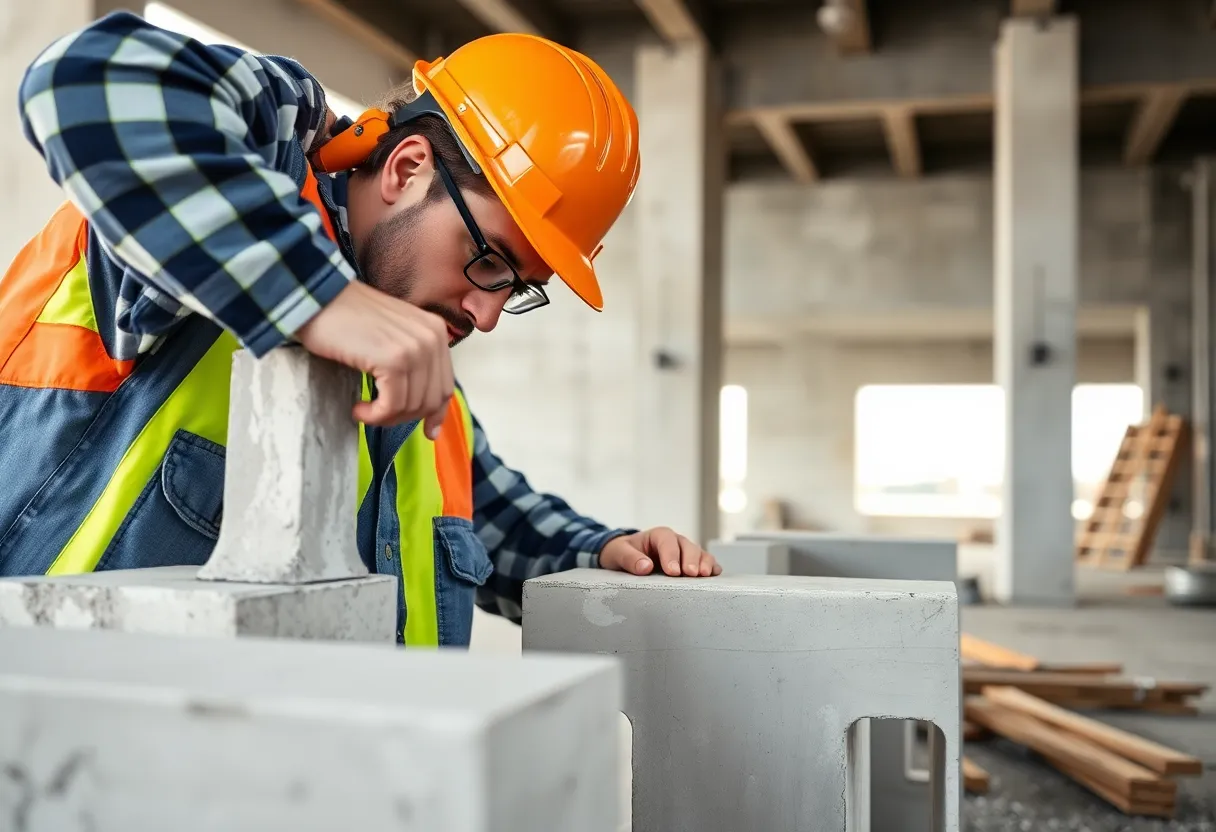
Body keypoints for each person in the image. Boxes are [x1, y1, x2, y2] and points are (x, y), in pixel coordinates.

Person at [0, 11, 720, 646]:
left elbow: (494, 519)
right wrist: (318, 299)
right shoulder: (197, 247)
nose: (489, 313)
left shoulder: (414, 375)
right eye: (489, 261)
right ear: (408, 169)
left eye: (520, 290)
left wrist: (605, 553)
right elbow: (87, 78)